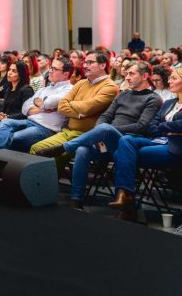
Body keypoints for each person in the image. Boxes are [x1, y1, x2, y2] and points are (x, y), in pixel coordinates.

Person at [35, 62, 161, 208]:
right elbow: (106, 115)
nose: (127, 77)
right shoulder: (124, 94)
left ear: (145, 76)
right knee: (83, 150)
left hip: (129, 143)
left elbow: (141, 126)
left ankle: (64, 147)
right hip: (108, 140)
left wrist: (108, 129)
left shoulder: (153, 98)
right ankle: (76, 199)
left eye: (131, 74)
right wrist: (100, 131)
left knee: (105, 129)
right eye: (126, 74)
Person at [28, 51, 119, 175]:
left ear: (103, 66)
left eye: (90, 62)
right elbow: (61, 106)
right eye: (85, 62)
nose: (85, 66)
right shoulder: (81, 83)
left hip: (87, 136)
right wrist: (79, 113)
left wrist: (75, 107)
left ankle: (46, 186)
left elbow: (88, 107)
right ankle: (43, 186)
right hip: (67, 132)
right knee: (36, 148)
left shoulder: (110, 87)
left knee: (50, 152)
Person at [108, 66, 182, 220]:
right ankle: (124, 199)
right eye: (170, 78)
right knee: (126, 140)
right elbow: (151, 127)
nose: (169, 81)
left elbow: (177, 125)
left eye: (173, 78)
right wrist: (168, 129)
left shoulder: (161, 100)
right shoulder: (169, 103)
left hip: (175, 146)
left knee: (120, 153)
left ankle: (126, 204)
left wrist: (165, 127)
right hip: (157, 141)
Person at [0, 57, 74, 153]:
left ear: (66, 74)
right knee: (5, 122)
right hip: (29, 122)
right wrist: (42, 106)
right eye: (51, 68)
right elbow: (25, 107)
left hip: (45, 129)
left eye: (55, 69)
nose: (50, 71)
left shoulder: (69, 89)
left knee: (10, 138)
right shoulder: (46, 89)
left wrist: (39, 103)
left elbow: (48, 102)